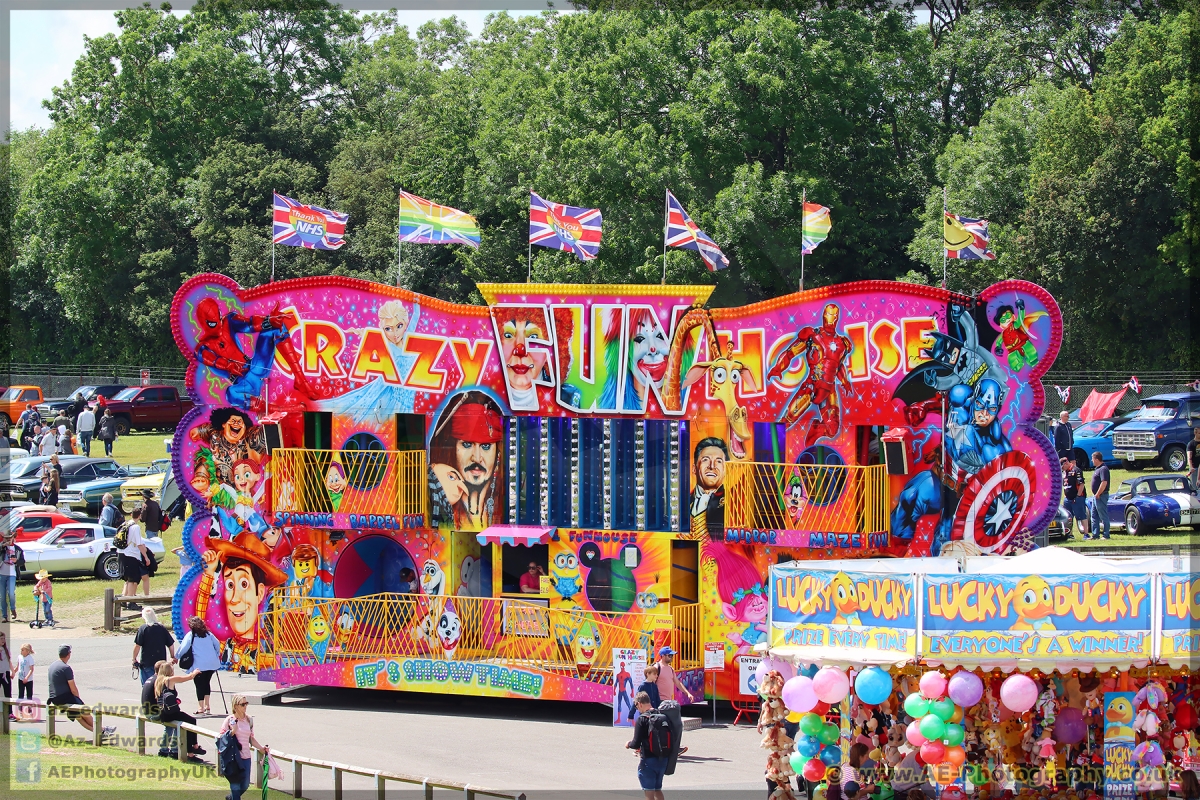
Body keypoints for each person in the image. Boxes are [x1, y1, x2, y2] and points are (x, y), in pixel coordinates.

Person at [48, 644, 115, 737]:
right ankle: (102, 730)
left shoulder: (52, 665)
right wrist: (77, 699)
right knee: (84, 711)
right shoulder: (66, 668)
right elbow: (73, 688)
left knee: (79, 716)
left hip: (54, 698)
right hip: (64, 697)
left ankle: (100, 732)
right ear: (69, 654)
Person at [219, 694, 270, 800]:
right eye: (243, 704)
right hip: (233, 758)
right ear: (236, 706)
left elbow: (251, 738)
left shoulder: (249, 720)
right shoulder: (229, 720)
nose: (245, 706)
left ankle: (230, 798)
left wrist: (261, 748)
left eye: (246, 703)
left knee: (245, 784)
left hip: (246, 757)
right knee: (235, 785)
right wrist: (233, 732)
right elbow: (221, 737)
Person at [153, 661, 204, 758]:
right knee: (191, 721)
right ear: (168, 671)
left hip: (163, 713)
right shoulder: (169, 680)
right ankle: (192, 748)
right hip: (170, 713)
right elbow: (187, 678)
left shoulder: (158, 681)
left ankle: (192, 748)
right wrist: (195, 672)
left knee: (188, 720)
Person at [626, 691, 668, 800]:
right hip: (663, 760)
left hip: (648, 760)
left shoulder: (642, 719)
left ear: (639, 704)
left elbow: (636, 743)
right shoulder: (662, 716)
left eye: (636, 706)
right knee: (657, 789)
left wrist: (628, 744)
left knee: (649, 793)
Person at [177, 615, 222, 715]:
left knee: (199, 685)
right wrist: (216, 654)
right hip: (212, 663)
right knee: (206, 683)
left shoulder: (191, 635)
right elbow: (217, 643)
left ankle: (200, 707)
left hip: (199, 664)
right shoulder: (208, 634)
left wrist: (176, 656)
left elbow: (183, 647)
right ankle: (207, 706)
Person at [689, 437, 729, 537]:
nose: (712, 466)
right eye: (706, 460)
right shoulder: (682, 500)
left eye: (719, 461)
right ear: (694, 468)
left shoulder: (732, 502)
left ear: (725, 470)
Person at [133, 607, 175, 685]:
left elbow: (137, 646)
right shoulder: (162, 628)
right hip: (161, 664)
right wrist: (172, 656)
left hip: (147, 663)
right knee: (160, 685)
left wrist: (134, 659)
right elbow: (171, 644)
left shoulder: (143, 629)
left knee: (147, 686)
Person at [120, 506, 152, 599]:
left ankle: (124, 599)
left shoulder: (126, 524)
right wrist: (146, 557)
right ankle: (130, 601)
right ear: (140, 516)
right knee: (133, 579)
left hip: (122, 553)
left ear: (131, 515)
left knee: (128, 579)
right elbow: (139, 544)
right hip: (131, 555)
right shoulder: (135, 527)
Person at [1061, 455, 1089, 539]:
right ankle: (1070, 534)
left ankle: (1086, 533)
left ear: (1066, 463)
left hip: (1077, 497)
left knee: (1081, 515)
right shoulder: (1064, 472)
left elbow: (1081, 484)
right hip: (1067, 498)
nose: (1062, 469)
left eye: (1063, 466)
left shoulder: (1076, 470)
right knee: (1068, 516)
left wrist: (1078, 496)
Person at [1087, 451, 1111, 540]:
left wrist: (1098, 493)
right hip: (1095, 496)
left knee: (1103, 515)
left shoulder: (1103, 469)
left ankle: (1106, 535)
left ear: (1097, 459)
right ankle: (1095, 535)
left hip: (1101, 496)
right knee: (1094, 516)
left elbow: (1104, 482)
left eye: (1093, 459)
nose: (1092, 460)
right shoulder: (1097, 468)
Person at [0, 532, 19, 622]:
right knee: (2, 596)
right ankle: (4, 615)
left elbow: (23, 561)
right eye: (6, 538)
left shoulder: (17, 549)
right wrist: (3, 545)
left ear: (13, 538)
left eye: (9, 538)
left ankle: (12, 609)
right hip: (1, 574)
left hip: (12, 574)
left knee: (11, 593)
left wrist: (17, 561)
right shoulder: (2, 548)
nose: (8, 540)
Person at [0, 631, 12, 701]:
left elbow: (9, 661)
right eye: (1, 638)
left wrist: (12, 671)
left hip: (5, 673)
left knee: (8, 694)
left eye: (4, 638)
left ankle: (9, 711)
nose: (3, 640)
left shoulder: (6, 648)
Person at [1189, 427, 1200, 496]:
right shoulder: (1191, 444)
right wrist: (1191, 467)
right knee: (1194, 488)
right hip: (1195, 468)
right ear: (1195, 433)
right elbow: (1189, 457)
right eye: (1199, 433)